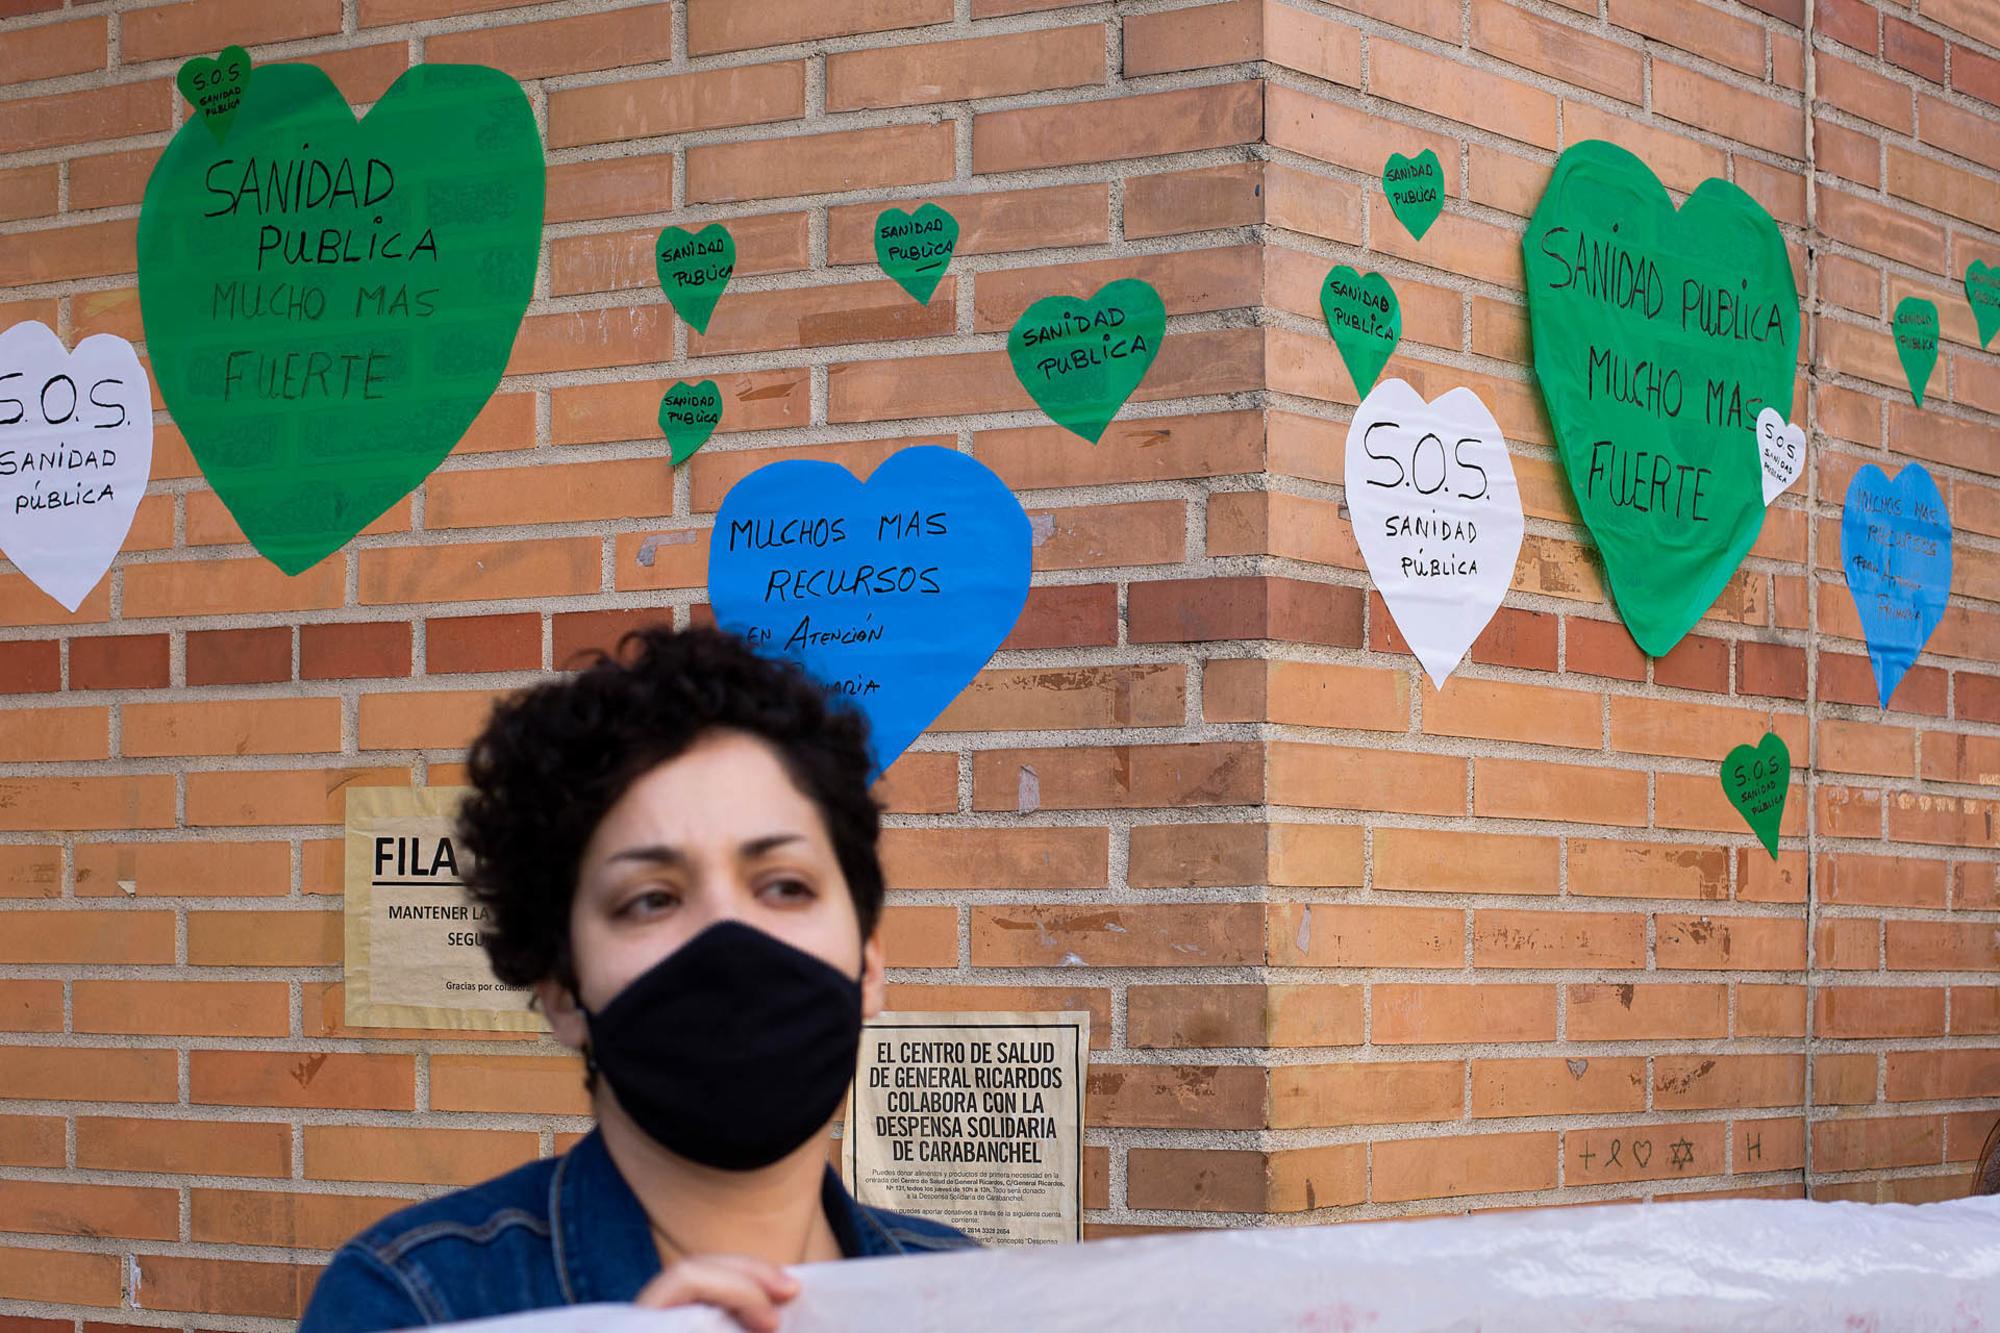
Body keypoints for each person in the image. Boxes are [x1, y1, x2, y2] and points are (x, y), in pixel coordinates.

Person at [300, 627, 975, 1332]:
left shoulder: (974, 1294)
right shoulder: (410, 1300)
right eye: (650, 898)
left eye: (784, 886)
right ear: (562, 987)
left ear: (868, 962)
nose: (726, 933)